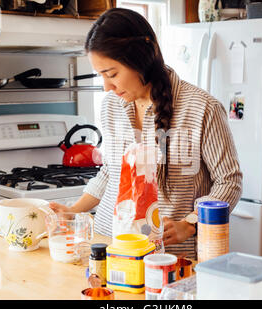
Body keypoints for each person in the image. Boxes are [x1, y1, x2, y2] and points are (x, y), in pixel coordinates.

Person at [50, 8, 242, 259]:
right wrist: (74, 211)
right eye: (101, 76)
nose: (107, 86)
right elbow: (110, 171)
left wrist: (190, 223)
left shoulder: (202, 108)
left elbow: (229, 181)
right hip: (111, 246)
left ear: (142, 57)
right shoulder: (111, 105)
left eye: (112, 74)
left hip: (169, 256)